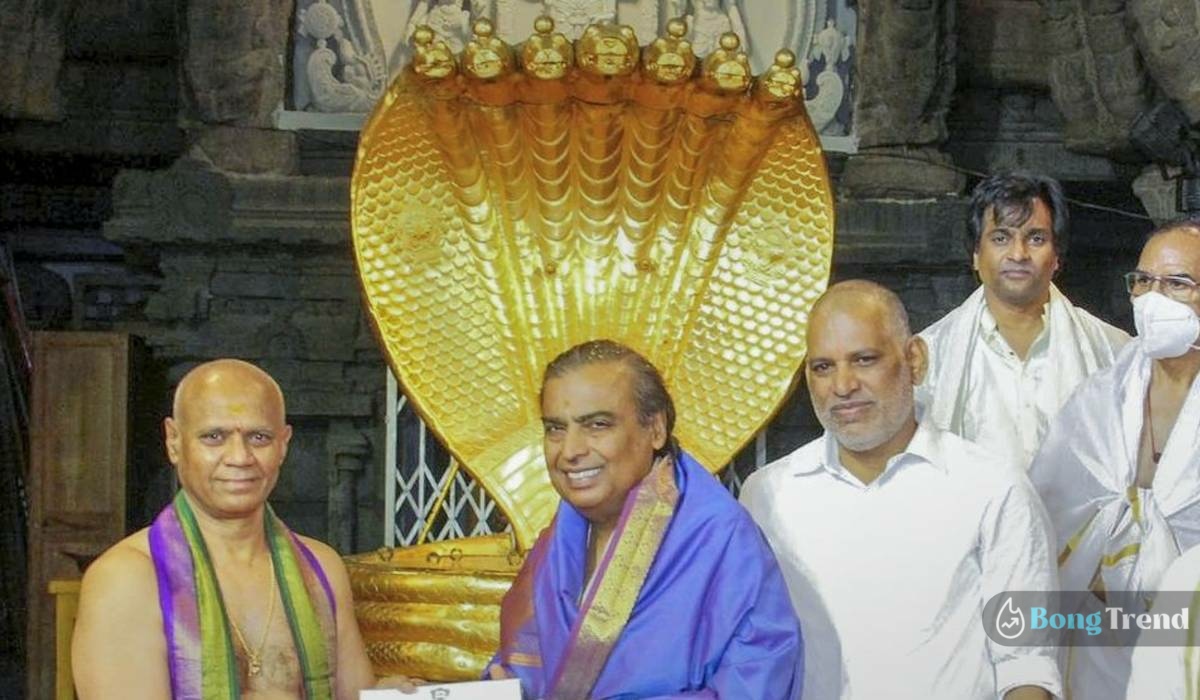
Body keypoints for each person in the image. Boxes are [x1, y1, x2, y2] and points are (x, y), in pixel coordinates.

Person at [742, 280, 1061, 699]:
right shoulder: (768, 497)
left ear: (915, 360)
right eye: (823, 367)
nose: (843, 386)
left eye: (864, 360)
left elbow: (1027, 665)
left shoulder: (992, 488)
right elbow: (747, 654)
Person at [487, 340, 802, 698]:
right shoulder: (556, 541)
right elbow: (519, 671)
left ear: (655, 429)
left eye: (597, 425)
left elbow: (758, 683)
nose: (570, 451)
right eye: (555, 429)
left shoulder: (719, 538)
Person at [72, 359, 377, 699]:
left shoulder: (322, 569)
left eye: (258, 437)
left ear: (284, 445)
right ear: (174, 441)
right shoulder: (127, 578)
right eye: (214, 437)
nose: (239, 457)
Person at [1030, 220, 1200, 699]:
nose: (1152, 298)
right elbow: (1046, 513)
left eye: (1177, 283)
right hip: (1098, 644)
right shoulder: (1100, 398)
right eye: (1143, 280)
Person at [917, 172, 1128, 470]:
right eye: (1001, 238)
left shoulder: (1113, 351)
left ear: (1057, 257)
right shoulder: (929, 355)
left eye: (1036, 238)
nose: (1018, 254)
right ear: (976, 254)